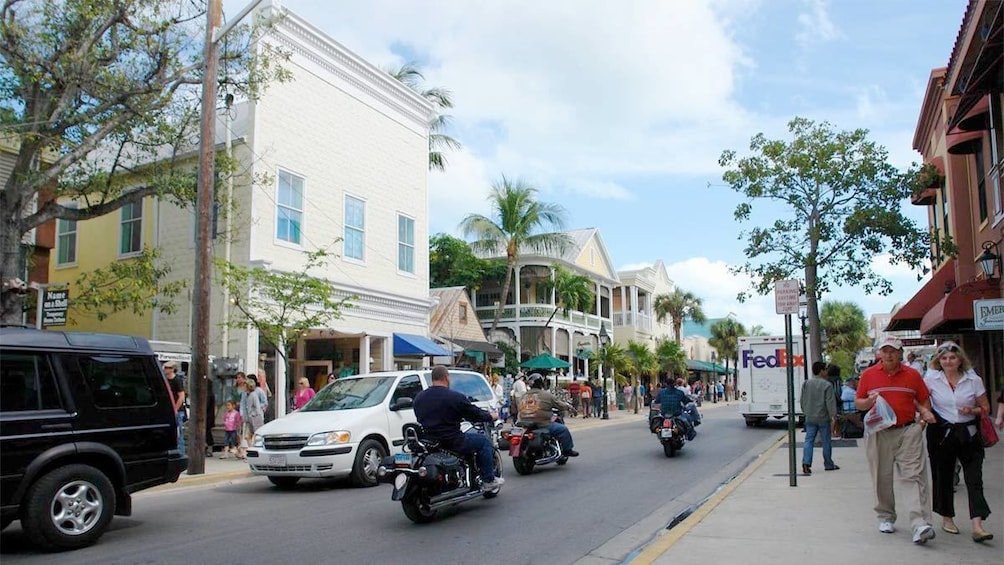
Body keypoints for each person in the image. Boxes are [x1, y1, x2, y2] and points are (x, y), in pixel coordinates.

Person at [855, 336, 938, 544]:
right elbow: (859, 403)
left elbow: (923, 399)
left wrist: (921, 423)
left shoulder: (912, 375)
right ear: (879, 354)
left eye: (893, 351)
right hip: (879, 432)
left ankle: (920, 523)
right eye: (885, 351)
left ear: (900, 353)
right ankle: (885, 516)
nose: (889, 354)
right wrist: (869, 401)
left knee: (914, 476)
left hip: (908, 430)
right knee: (881, 477)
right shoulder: (868, 375)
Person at [923, 341, 993, 542]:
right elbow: (923, 402)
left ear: (960, 359)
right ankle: (947, 518)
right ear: (938, 360)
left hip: (968, 433)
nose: (948, 361)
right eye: (944, 358)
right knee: (943, 477)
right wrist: (925, 414)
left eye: (952, 357)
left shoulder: (973, 380)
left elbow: (985, 407)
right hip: (942, 433)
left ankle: (978, 525)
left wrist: (972, 410)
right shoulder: (931, 379)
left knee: (974, 478)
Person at [413, 366, 503, 491]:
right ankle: (488, 480)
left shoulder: (419, 398)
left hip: (430, 442)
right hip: (452, 441)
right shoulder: (455, 397)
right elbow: (474, 413)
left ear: (432, 378)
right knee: (484, 441)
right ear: (446, 377)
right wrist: (491, 416)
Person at [517, 373, 579, 456]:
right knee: (563, 429)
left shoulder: (523, 396)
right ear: (541, 383)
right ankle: (567, 450)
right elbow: (560, 404)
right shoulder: (546, 395)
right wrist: (569, 407)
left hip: (524, 423)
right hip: (542, 424)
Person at [800, 361, 839, 474]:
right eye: (825, 369)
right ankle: (828, 464)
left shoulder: (806, 383)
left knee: (809, 440)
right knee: (826, 441)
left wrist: (806, 411)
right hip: (823, 418)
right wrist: (834, 417)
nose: (827, 372)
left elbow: (802, 400)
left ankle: (806, 463)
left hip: (810, 417)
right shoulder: (827, 385)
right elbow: (830, 403)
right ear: (821, 371)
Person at [164, 361, 186, 452]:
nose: (165, 369)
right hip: (168, 409)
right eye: (165, 368)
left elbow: (181, 396)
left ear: (172, 369)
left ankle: (181, 451)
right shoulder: (165, 379)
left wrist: (175, 409)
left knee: (178, 432)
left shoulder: (177, 380)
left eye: (167, 368)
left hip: (177, 410)